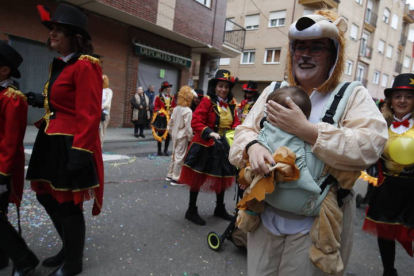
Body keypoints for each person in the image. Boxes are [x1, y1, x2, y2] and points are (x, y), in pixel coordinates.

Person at [229, 9, 388, 276]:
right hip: (264, 218)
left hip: (316, 227)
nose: (304, 54)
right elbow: (243, 132)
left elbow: (370, 146)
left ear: (334, 55)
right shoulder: (273, 90)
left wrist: (309, 131)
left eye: (316, 48)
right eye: (299, 47)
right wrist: (251, 146)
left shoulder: (351, 94)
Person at [25, 4, 104, 276]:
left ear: (74, 36)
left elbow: (90, 112)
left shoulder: (86, 65)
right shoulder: (60, 64)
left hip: (71, 143)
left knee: (68, 204)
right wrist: (40, 98)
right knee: (47, 198)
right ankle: (68, 247)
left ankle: (73, 262)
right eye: (52, 30)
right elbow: (62, 102)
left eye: (59, 30)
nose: (53, 34)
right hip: (50, 141)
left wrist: (81, 152)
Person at [362, 73, 414, 276]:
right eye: (398, 96)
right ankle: (389, 271)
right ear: (391, 101)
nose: (402, 101)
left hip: (413, 189)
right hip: (388, 188)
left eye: (408, 97)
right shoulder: (381, 125)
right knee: (386, 232)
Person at [178, 69, 240, 226]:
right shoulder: (207, 101)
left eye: (226, 87)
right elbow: (196, 121)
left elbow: (235, 122)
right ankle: (191, 210)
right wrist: (210, 133)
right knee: (198, 177)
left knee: (222, 176)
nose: (223, 90)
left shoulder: (232, 104)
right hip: (205, 145)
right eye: (220, 86)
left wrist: (237, 130)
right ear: (215, 86)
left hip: (223, 145)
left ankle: (219, 208)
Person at [0, 40, 40, 276]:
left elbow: (10, 141)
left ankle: (24, 260)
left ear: (5, 70)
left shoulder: (12, 98)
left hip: (1, 165)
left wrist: (2, 173)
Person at [166, 86, 196, 185]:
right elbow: (188, 128)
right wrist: (191, 137)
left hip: (174, 135)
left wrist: (171, 132)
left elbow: (170, 123)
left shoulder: (176, 109)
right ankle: (176, 178)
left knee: (174, 155)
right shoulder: (188, 111)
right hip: (182, 136)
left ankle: (170, 175)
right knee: (180, 156)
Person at [151, 81, 176, 156]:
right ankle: (159, 150)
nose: (169, 89)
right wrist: (158, 111)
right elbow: (155, 107)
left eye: (169, 87)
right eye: (168, 87)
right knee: (160, 134)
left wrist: (173, 110)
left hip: (169, 119)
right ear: (164, 89)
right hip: (161, 118)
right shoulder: (158, 97)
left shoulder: (172, 97)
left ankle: (165, 150)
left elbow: (174, 106)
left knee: (168, 135)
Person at [100, 74, 113, 147]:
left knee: (102, 129)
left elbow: (108, 101)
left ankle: (100, 145)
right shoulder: (98, 89)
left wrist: (102, 106)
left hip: (104, 112)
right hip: (96, 111)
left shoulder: (109, 91)